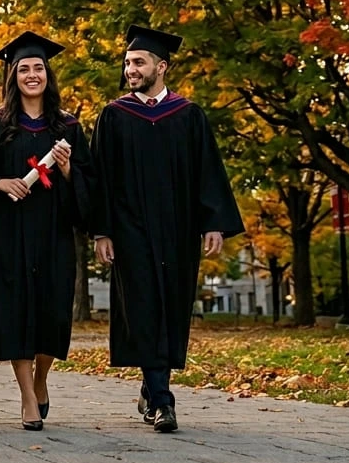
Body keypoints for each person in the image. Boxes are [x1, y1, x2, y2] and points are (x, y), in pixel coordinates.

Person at [91, 25, 243, 434]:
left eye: (138, 62)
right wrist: (101, 231)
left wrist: (214, 222)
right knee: (143, 307)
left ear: (162, 66)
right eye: (127, 63)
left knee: (171, 307)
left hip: (178, 229)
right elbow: (100, 178)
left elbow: (207, 172)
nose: (130, 69)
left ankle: (151, 384)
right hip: (130, 230)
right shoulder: (114, 115)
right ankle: (162, 399)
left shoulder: (189, 115)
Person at [0, 34, 93, 431]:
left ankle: (41, 379)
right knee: (14, 310)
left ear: (47, 74)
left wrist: (69, 170)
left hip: (52, 233)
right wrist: (0, 184)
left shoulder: (68, 127)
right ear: (13, 76)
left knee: (51, 310)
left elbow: (92, 184)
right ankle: (26, 396)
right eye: (24, 69)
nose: (32, 75)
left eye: (38, 68)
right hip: (7, 234)